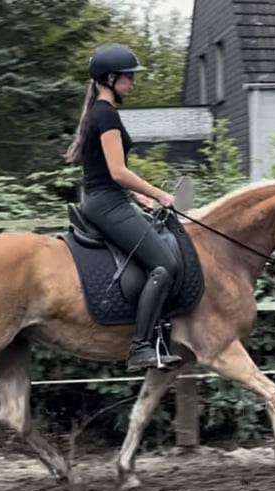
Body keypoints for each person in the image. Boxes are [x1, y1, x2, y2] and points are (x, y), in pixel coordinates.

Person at [65, 43, 182, 372]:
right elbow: (118, 172)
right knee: (165, 264)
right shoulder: (106, 115)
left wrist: (139, 198)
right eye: (128, 77)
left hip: (107, 199)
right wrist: (159, 194)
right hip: (107, 204)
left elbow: (104, 172)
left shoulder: (96, 114)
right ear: (111, 78)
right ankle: (142, 346)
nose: (132, 83)